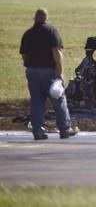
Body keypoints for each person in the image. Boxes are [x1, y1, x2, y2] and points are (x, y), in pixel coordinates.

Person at [20, 8, 77, 140]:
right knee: (59, 100)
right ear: (46, 18)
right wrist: (60, 73)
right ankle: (64, 129)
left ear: (34, 18)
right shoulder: (51, 31)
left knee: (36, 101)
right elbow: (56, 53)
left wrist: (29, 66)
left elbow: (24, 54)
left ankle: (38, 131)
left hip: (32, 71)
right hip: (49, 71)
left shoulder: (28, 33)